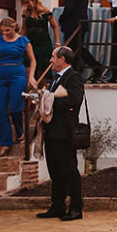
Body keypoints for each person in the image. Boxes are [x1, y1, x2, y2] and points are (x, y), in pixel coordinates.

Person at [36, 46, 86, 221]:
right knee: (55, 171)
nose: (50, 60)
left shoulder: (74, 77)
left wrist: (49, 99)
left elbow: (74, 100)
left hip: (64, 131)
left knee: (69, 170)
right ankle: (57, 206)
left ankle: (76, 208)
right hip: (52, 131)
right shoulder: (55, 78)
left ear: (62, 59)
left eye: (53, 57)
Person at [0, 17, 37, 156]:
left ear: (14, 27)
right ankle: (5, 143)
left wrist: (31, 76)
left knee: (16, 108)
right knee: (1, 110)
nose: (5, 33)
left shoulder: (23, 41)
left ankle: (20, 132)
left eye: (7, 30)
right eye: (2, 31)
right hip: (2, 76)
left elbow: (33, 60)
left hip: (18, 75)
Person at [19, 0, 60, 80]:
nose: (26, 5)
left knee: (43, 70)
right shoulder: (26, 14)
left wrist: (57, 42)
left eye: (27, 2)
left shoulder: (45, 12)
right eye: (24, 3)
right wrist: (16, 41)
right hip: (31, 43)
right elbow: (24, 30)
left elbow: (55, 27)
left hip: (44, 44)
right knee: (30, 68)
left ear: (33, 0)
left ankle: (41, 90)